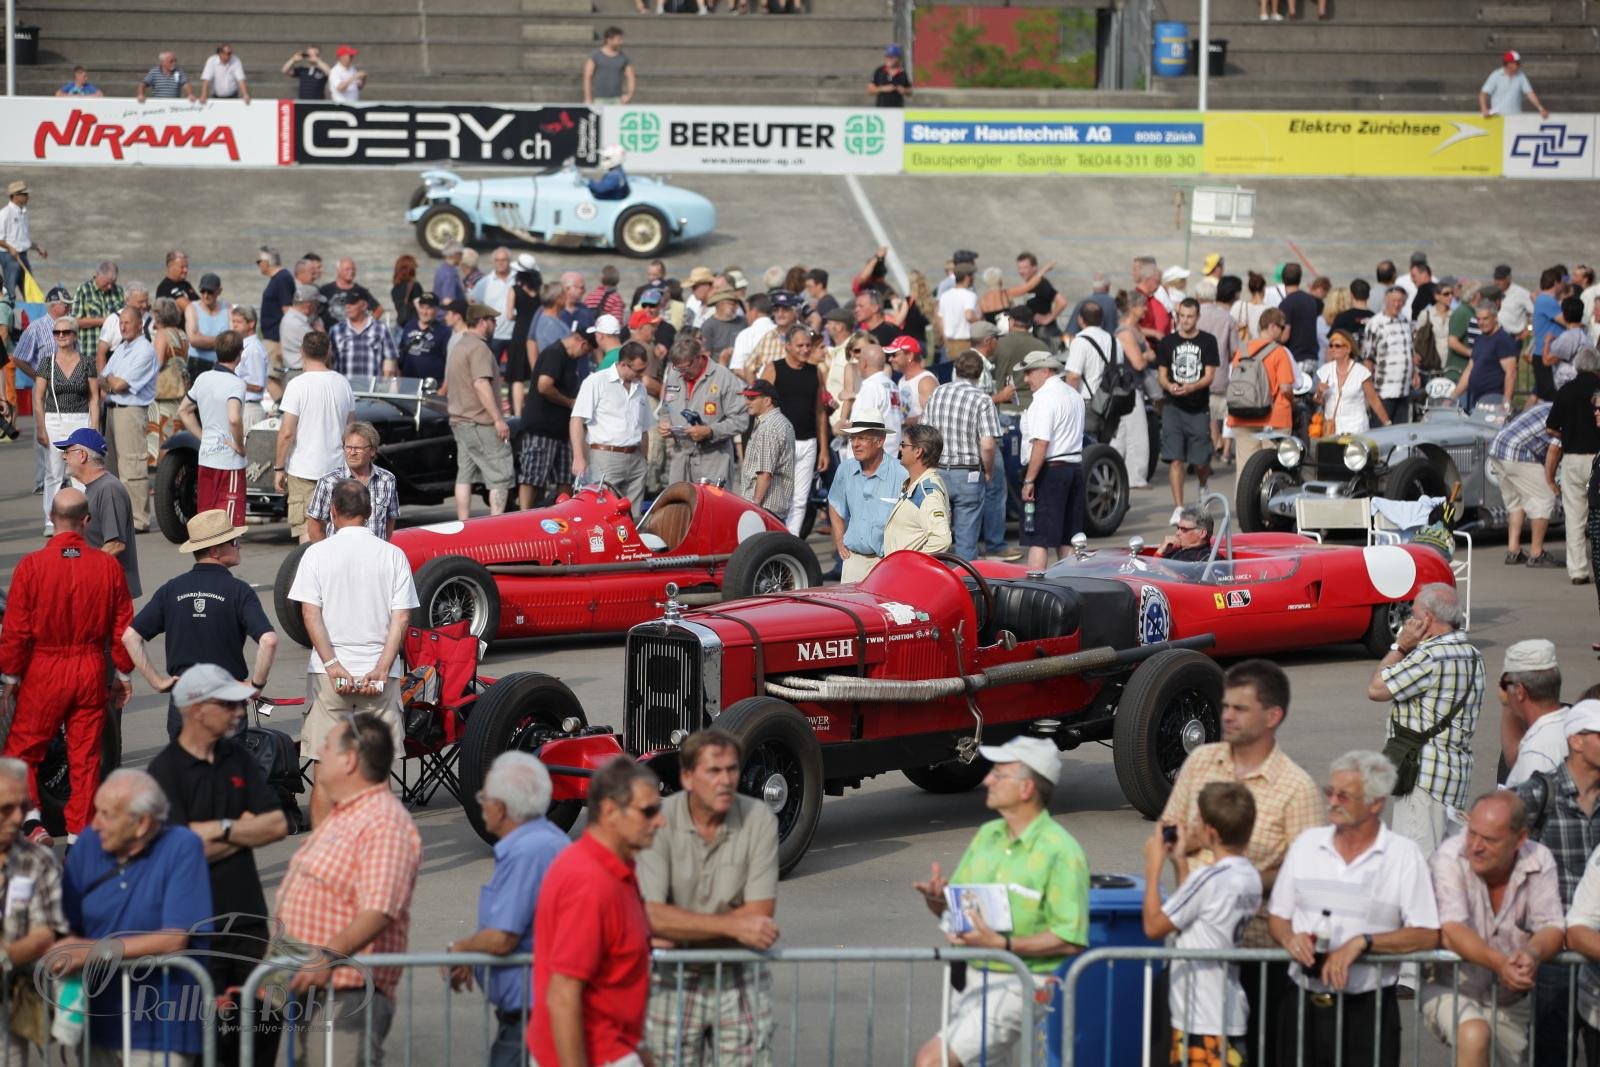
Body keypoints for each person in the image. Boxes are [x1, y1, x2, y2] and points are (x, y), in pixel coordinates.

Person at [1160, 658, 1322, 1059]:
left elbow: (1303, 875)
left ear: (1273, 716)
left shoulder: (1297, 788)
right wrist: (1191, 843)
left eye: (1240, 708)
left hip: (1257, 955)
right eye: (1225, 706)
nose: (1227, 716)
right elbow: (1167, 831)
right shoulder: (1200, 761)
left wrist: (1234, 882)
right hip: (1191, 953)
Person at [910, 736, 1088, 1067]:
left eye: (999, 774)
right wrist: (937, 900)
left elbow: (1070, 938)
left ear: (1026, 789)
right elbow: (956, 909)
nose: (987, 780)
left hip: (1019, 984)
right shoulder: (987, 835)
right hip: (972, 978)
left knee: (931, 1060)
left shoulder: (1062, 852)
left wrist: (1004, 945)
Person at [148, 663, 289, 1065]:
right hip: (196, 930)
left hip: (248, 922)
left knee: (264, 1022)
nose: (239, 711)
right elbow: (175, 853)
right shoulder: (165, 771)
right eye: (227, 704)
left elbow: (277, 824)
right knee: (204, 1037)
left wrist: (214, 831)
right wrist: (240, 828)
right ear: (197, 709)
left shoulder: (237, 757)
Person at [1268, 751, 1440, 1067]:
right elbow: (1278, 916)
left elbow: (1427, 934)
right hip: (1302, 1004)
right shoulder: (1306, 845)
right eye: (1330, 792)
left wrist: (1364, 943)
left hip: (1367, 1012)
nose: (1332, 802)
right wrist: (1289, 938)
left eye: (1344, 796)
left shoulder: (1403, 856)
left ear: (1376, 803)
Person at [276, 712, 421, 1065]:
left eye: (327, 747)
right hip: (319, 985)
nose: (319, 754)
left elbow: (379, 910)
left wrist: (326, 957)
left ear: (350, 760)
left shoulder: (383, 822)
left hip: (347, 991)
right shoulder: (347, 814)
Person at [0, 487, 133, 847]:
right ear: (86, 521)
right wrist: (122, 673)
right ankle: (77, 839)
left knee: (21, 750)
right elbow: (123, 627)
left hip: (45, 669)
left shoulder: (31, 566)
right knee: (85, 757)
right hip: (90, 669)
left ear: (51, 517)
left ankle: (32, 821)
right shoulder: (107, 567)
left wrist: (10, 676)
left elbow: (15, 630)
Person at [639, 731, 781, 1065]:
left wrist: (678, 926)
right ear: (688, 777)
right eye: (714, 771)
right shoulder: (660, 821)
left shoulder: (758, 819)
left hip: (738, 976)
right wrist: (734, 927)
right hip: (672, 977)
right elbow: (651, 917)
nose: (726, 780)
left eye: (732, 769)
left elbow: (760, 916)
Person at [57, 770, 212, 1064]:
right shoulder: (89, 843)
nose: (96, 823)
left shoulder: (182, 846)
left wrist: (94, 951)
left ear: (142, 824)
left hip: (162, 1028)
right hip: (96, 1023)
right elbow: (67, 929)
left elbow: (174, 939)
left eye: (107, 815)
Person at [529, 757, 664, 1067]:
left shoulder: (616, 868)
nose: (660, 821)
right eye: (648, 812)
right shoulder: (589, 882)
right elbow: (563, 995)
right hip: (596, 1056)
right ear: (610, 812)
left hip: (614, 1048)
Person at [287, 479, 416, 785]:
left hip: (329, 676)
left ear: (333, 511)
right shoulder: (393, 555)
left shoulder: (316, 554)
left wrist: (332, 665)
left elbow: (310, 615)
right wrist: (382, 668)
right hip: (379, 676)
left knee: (325, 770)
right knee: (377, 772)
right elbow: (401, 618)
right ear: (370, 512)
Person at [1423, 791, 1563, 1067]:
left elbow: (1553, 926)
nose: (1476, 846)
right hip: (1450, 988)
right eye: (1472, 833)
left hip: (1510, 1002)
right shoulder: (1450, 856)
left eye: (1490, 839)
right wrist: (1500, 963)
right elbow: (1452, 929)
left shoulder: (1539, 858)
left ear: (1520, 839)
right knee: (1474, 1033)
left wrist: (1532, 954)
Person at [446, 752, 568, 1067]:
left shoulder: (528, 852)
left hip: (532, 1013)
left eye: (484, 798)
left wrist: (461, 948)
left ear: (500, 808)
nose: (481, 804)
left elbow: (502, 938)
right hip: (534, 1009)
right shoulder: (543, 841)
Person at [125, 509, 277, 739]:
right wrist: (256, 685)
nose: (239, 546)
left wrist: (157, 682)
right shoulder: (239, 591)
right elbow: (269, 640)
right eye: (234, 541)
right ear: (215, 550)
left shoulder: (172, 589)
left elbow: (130, 637)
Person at [1143, 783, 1261, 1066]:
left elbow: (1154, 927)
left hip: (1202, 1019)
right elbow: (1195, 911)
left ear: (1211, 832)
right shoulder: (1249, 876)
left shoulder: (1209, 879)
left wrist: (1154, 865)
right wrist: (1181, 862)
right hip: (1226, 1013)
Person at [1367, 582, 1485, 859]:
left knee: (1416, 865)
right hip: (1455, 776)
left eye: (1413, 615)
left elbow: (1376, 689)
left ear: (1428, 619)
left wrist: (1400, 646)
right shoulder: (1474, 656)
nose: (1408, 622)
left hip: (1423, 782)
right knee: (1447, 862)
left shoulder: (1430, 656)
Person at [1512, 699, 1600, 1064]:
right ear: (1576, 741)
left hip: (1594, 950)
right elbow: (1491, 849)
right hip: (1553, 953)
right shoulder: (1537, 793)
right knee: (1552, 1053)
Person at [0, 757, 66, 1061]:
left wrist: (6, 956)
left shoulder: (39, 861)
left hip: (12, 1000)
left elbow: (47, 931)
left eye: (23, 808)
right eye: (6, 809)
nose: (17, 819)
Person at [275, 332, 355, 542]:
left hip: (303, 468)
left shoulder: (297, 385)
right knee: (335, 529)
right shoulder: (342, 383)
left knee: (307, 529)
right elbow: (351, 429)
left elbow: (287, 432)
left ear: (301, 352)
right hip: (336, 467)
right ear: (328, 352)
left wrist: (278, 467)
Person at [922, 350, 1001, 560]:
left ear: (956, 370)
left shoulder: (938, 393)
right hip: (968, 473)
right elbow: (987, 445)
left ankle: (933, 576)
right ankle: (964, 578)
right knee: (967, 541)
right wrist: (989, 470)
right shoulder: (983, 400)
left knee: (936, 536)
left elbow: (924, 433)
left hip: (937, 470)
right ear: (980, 373)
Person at [445, 302, 514, 519]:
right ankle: (496, 525)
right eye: (493, 320)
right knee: (500, 474)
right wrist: (498, 419)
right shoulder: (479, 348)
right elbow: (481, 383)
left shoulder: (459, 345)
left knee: (465, 475)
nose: (495, 324)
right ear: (483, 322)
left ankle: (463, 523)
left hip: (460, 421)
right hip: (480, 421)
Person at [1018, 350, 1086, 569]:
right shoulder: (1074, 395)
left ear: (1045, 371)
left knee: (1039, 538)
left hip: (1050, 471)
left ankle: (1034, 586)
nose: (1026, 378)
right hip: (1074, 468)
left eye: (1029, 372)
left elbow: (1041, 443)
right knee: (1068, 537)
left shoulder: (1044, 399)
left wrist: (1029, 480)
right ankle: (1070, 583)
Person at [35, 313, 100, 534]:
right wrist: (40, 427)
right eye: (57, 332)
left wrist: (94, 426)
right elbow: (38, 397)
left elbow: (94, 396)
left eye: (65, 332)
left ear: (75, 335)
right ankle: (51, 521)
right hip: (54, 419)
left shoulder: (87, 362)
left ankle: (80, 520)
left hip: (81, 419)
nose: (61, 336)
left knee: (80, 472)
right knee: (53, 472)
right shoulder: (47, 362)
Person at [1157, 298, 1220, 524]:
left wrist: (1192, 387)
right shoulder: (1167, 342)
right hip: (1173, 407)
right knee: (1175, 459)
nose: (1185, 320)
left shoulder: (1208, 341)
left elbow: (1210, 375)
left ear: (1197, 317)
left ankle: (1203, 486)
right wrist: (1169, 386)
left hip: (1198, 407)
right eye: (1181, 316)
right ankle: (1179, 507)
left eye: (1189, 316)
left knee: (1201, 460)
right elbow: (1162, 375)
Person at [828, 405, 908, 581]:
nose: (855, 444)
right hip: (853, 559)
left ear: (880, 441)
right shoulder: (845, 469)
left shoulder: (901, 474)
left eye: (862, 438)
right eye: (853, 438)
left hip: (888, 563)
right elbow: (834, 503)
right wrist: (839, 540)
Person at [571, 341, 652, 513]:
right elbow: (577, 419)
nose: (642, 374)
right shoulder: (596, 381)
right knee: (603, 512)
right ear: (623, 364)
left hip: (635, 457)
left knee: (633, 515)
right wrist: (578, 457)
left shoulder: (640, 387)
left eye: (644, 369)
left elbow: (644, 428)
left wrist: (644, 460)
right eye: (638, 370)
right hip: (605, 457)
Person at [763, 324, 829, 534]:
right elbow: (761, 407)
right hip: (780, 443)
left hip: (808, 442)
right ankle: (772, 539)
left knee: (800, 500)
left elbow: (820, 413)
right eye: (800, 345)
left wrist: (823, 449)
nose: (805, 349)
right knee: (776, 497)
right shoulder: (774, 369)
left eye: (808, 345)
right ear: (788, 346)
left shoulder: (815, 372)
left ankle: (791, 541)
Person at [61, 426, 142, 597]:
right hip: (100, 587)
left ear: (82, 455)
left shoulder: (108, 490)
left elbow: (115, 545)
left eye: (67, 451)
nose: (64, 457)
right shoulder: (95, 488)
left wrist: (83, 572)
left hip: (110, 591)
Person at [659, 335, 749, 487]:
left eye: (685, 368)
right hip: (680, 457)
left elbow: (740, 420)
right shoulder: (674, 374)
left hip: (713, 458)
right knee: (679, 501)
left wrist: (710, 431)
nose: (681, 373)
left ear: (698, 358)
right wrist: (665, 423)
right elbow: (666, 408)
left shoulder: (724, 377)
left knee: (712, 502)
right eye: (678, 368)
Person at [99, 303, 157, 533]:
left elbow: (121, 385)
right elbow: (103, 378)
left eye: (127, 323)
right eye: (120, 323)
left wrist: (111, 381)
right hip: (113, 410)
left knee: (132, 467)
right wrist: (111, 381)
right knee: (113, 468)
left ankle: (139, 519)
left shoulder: (145, 350)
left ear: (139, 324)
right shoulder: (122, 347)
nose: (123, 327)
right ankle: (121, 518)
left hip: (131, 411)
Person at [181, 328, 249, 524]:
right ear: (239, 354)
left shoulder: (203, 378)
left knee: (207, 523)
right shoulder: (236, 383)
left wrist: (203, 436)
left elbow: (184, 410)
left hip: (206, 457)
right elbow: (234, 418)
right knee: (229, 525)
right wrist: (240, 446)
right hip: (229, 460)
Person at [1547, 347, 1600, 585]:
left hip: (1572, 459)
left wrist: (1567, 433)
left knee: (1574, 518)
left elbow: (1551, 427)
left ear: (1577, 365)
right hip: (1597, 457)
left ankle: (1578, 570)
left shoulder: (1566, 390)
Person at [1490, 398, 1559, 566]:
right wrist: (1551, 481)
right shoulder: (1569, 416)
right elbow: (1554, 450)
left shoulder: (1548, 405)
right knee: (1544, 497)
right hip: (1517, 452)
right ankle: (1536, 553)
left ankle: (1513, 551)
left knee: (1516, 502)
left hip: (1498, 447)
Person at [1226, 307, 1297, 468]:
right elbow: (1285, 388)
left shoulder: (1242, 350)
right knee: (1271, 467)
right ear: (1272, 326)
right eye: (1282, 327)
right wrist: (1293, 401)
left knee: (1246, 469)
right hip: (1274, 418)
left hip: (1242, 413)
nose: (1284, 332)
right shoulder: (1279, 352)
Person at [306, 421, 399, 541]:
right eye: (348, 447)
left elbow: (390, 519)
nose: (352, 453)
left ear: (372, 451)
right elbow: (315, 524)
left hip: (374, 551)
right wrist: (326, 550)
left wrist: (382, 546)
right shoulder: (328, 482)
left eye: (358, 448)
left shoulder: (387, 479)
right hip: (340, 551)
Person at [1498, 639, 1565, 787]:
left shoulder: (1535, 754)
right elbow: (1514, 757)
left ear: (1520, 692)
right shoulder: (1575, 725)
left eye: (1504, 685)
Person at [883, 423, 952, 558]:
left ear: (918, 451)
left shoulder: (928, 493)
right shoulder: (916, 485)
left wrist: (911, 564)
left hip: (906, 570)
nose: (900, 449)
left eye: (903, 445)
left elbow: (942, 540)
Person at [1315, 326, 1390, 435]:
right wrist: (1319, 392)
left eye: (1337, 346)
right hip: (1332, 430)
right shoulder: (1325, 371)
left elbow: (1373, 400)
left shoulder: (1361, 372)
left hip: (1356, 429)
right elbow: (1319, 401)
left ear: (1348, 349)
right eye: (1331, 345)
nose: (1333, 349)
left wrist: (1387, 424)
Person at [737, 378, 795, 516]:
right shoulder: (779, 421)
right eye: (747, 397)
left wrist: (755, 506)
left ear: (767, 401)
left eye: (752, 398)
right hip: (772, 506)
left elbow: (765, 473)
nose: (747, 402)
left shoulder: (768, 428)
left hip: (764, 507)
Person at [1362, 287, 1419, 424]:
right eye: (1394, 300)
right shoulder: (1375, 324)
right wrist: (1369, 390)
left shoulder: (1405, 322)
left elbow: (1410, 351)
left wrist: (1415, 373)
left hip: (1404, 390)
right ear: (1386, 301)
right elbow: (1368, 358)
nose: (1397, 304)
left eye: (1400, 301)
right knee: (1381, 430)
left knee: (1400, 432)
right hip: (1383, 391)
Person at [1453, 304, 1520, 412]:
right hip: (1477, 401)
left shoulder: (1503, 340)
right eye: (1478, 319)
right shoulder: (1479, 339)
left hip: (1495, 401)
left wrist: (1506, 402)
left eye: (1485, 319)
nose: (1481, 323)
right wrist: (1453, 396)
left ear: (1495, 318)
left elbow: (1511, 373)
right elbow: (1469, 370)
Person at [329, 286, 397, 380]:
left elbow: (390, 358)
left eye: (352, 303)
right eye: (346, 303)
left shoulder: (380, 329)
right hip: (344, 386)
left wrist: (386, 384)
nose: (347, 306)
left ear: (364, 305)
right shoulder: (336, 330)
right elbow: (329, 361)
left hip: (372, 387)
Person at [0, 180, 44, 302]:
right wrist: (10, 248)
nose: (27, 197)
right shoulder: (5, 213)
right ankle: (6, 312)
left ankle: (31, 312)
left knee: (29, 290)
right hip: (9, 257)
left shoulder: (23, 213)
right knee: (10, 291)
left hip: (22, 256)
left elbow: (22, 239)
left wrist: (37, 247)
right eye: (24, 194)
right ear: (15, 196)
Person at [1480, 49, 1550, 117]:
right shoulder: (1496, 75)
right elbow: (1483, 94)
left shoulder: (1521, 76)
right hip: (1498, 118)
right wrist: (1484, 109)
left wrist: (1541, 108)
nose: (1519, 65)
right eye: (1517, 63)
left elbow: (1530, 93)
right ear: (1508, 63)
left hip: (1515, 118)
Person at [584, 26, 635, 105]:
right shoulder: (595, 56)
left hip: (617, 100)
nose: (621, 42)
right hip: (599, 99)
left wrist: (629, 95)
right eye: (618, 39)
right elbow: (587, 76)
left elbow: (631, 77)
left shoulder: (623, 57)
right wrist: (587, 97)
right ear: (609, 40)